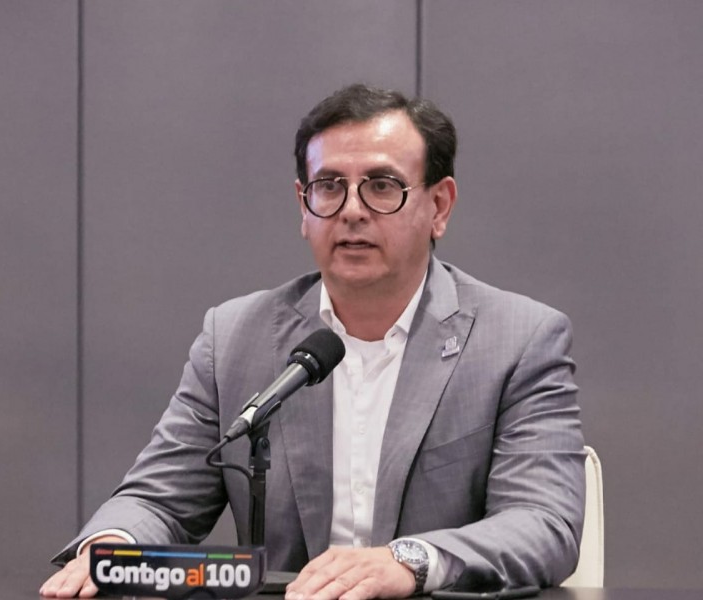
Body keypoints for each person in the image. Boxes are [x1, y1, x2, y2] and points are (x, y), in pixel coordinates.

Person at [40, 83, 585, 599]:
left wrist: (407, 561)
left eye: (382, 186)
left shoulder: (518, 340)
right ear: (304, 205)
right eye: (330, 186)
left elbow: (543, 523)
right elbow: (158, 499)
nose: (352, 210)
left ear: (439, 206)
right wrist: (111, 548)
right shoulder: (235, 338)